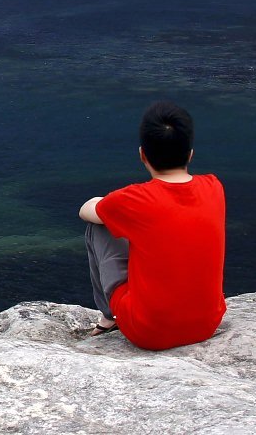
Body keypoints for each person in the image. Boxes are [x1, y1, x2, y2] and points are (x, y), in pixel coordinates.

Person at [77, 101, 226, 350]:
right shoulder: (214, 187)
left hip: (150, 332)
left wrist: (109, 205)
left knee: (99, 226)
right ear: (190, 154)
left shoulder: (135, 199)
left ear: (142, 154)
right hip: (206, 324)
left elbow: (85, 210)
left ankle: (108, 316)